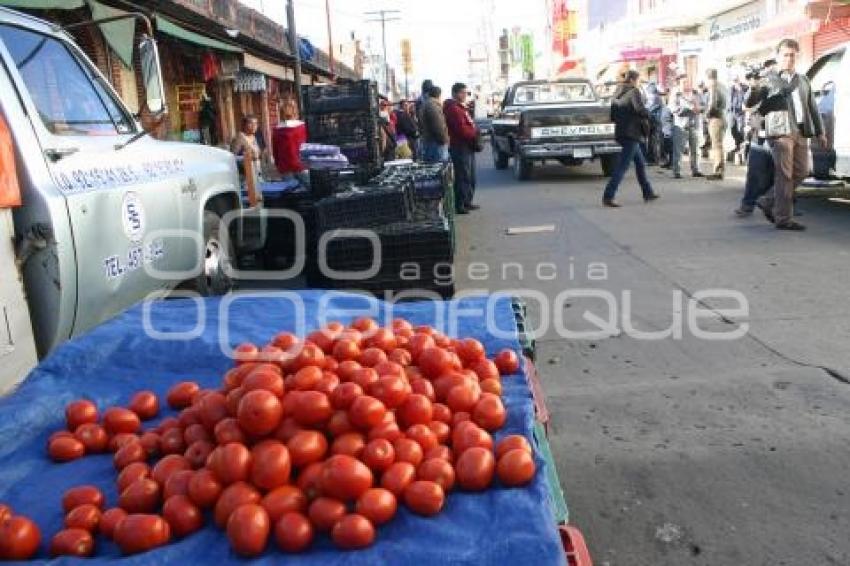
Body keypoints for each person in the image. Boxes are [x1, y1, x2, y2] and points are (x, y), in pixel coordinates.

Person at [750, 38, 826, 230]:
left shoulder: (803, 80)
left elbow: (812, 107)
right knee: (785, 175)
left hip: (801, 131)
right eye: (785, 55)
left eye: (792, 55)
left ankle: (768, 200)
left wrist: (820, 132)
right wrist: (754, 87)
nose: (789, 59)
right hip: (781, 132)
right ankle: (784, 219)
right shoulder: (769, 80)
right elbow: (752, 104)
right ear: (778, 57)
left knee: (802, 171)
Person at [602, 70, 659, 207]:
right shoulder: (634, 92)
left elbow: (613, 116)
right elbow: (640, 110)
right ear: (633, 80)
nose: (639, 83)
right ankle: (608, 196)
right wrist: (651, 116)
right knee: (622, 166)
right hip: (632, 134)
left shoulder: (616, 93)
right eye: (639, 80)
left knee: (640, 164)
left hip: (621, 133)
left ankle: (648, 192)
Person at [444, 82, 480, 214]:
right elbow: (461, 130)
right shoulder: (453, 109)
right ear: (456, 93)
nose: (465, 95)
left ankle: (467, 201)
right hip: (460, 146)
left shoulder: (461, 108)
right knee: (462, 176)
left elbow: (468, 124)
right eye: (463, 92)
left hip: (467, 145)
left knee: (470, 176)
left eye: (466, 92)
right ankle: (460, 204)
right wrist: (474, 133)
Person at [670, 82, 703, 178]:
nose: (687, 85)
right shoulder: (676, 95)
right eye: (684, 83)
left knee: (696, 149)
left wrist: (700, 109)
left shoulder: (697, 94)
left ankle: (696, 169)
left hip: (695, 125)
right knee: (678, 150)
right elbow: (673, 109)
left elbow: (704, 106)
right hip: (681, 126)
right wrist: (689, 109)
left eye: (689, 83)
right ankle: (677, 171)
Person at [705, 69, 727, 180]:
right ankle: (719, 170)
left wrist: (707, 115)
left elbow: (712, 103)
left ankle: (718, 171)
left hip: (716, 117)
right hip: (723, 116)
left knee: (716, 145)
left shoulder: (713, 86)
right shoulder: (722, 86)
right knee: (719, 145)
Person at [419, 86, 449, 163]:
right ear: (439, 95)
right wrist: (445, 140)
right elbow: (438, 126)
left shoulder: (427, 104)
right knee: (439, 167)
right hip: (436, 143)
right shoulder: (433, 106)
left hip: (430, 141)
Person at [231, 114, 264, 185]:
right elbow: (232, 157)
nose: (254, 126)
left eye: (256, 123)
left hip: (257, 173)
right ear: (244, 125)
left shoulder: (254, 136)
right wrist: (245, 158)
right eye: (251, 123)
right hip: (245, 177)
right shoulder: (240, 137)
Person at [728, 77, 747, 163]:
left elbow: (745, 99)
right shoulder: (731, 89)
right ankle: (737, 145)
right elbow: (728, 100)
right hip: (732, 112)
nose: (735, 82)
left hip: (740, 113)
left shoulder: (744, 88)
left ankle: (740, 147)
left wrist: (740, 91)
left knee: (740, 130)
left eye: (736, 80)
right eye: (734, 80)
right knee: (733, 130)